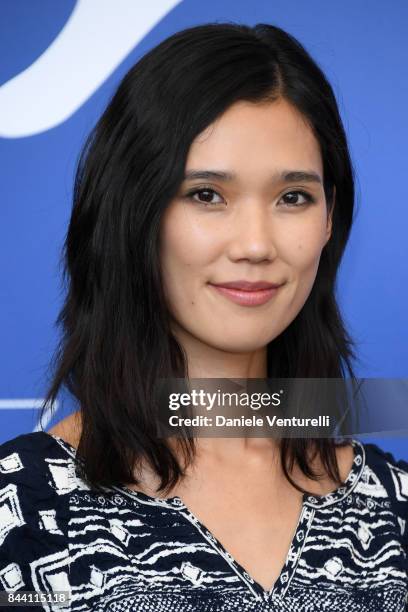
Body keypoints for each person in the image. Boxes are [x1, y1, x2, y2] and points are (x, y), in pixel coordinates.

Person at [0, 22, 407, 612]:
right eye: (206, 195)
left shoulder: (391, 504)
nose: (255, 244)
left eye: (293, 196)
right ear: (133, 212)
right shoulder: (19, 507)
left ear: (328, 220)